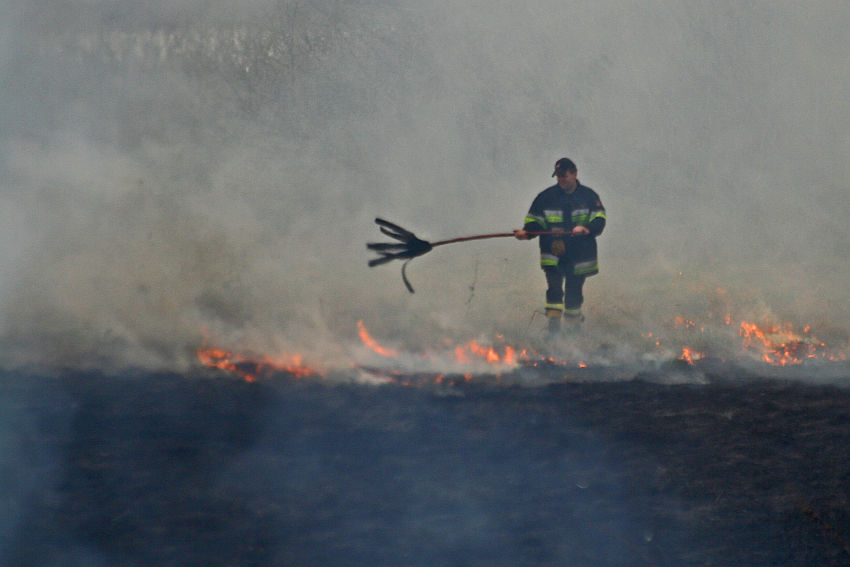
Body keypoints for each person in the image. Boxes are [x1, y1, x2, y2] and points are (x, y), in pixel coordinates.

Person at [514, 157, 606, 335]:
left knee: (573, 294)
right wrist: (527, 233)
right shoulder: (545, 197)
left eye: (564, 176)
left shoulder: (589, 196)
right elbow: (535, 221)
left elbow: (600, 218)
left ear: (575, 174)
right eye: (558, 177)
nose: (561, 180)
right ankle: (553, 331)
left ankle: (573, 331)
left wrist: (586, 228)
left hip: (579, 255)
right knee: (554, 292)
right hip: (553, 253)